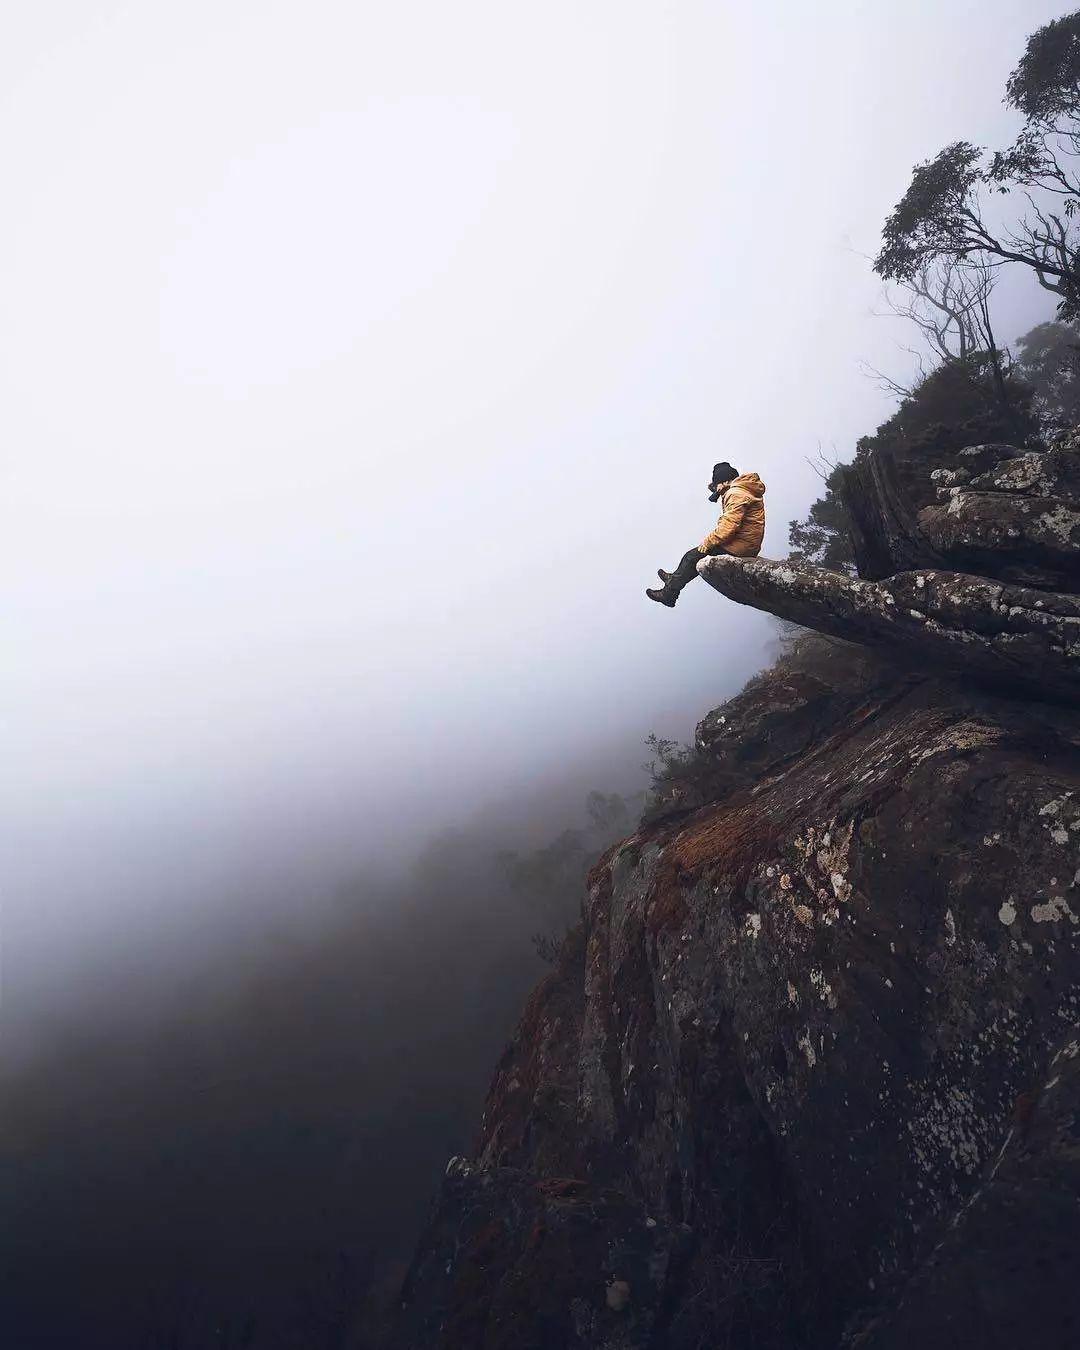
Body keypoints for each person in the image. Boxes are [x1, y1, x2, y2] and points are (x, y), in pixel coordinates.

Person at [646, 461, 766, 607]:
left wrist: (708, 542)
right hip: (744, 542)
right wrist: (718, 489)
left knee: (691, 557)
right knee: (691, 558)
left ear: (725, 481)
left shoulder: (735, 493)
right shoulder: (741, 490)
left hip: (741, 546)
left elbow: (728, 526)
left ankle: (668, 595)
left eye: (718, 484)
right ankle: (674, 579)